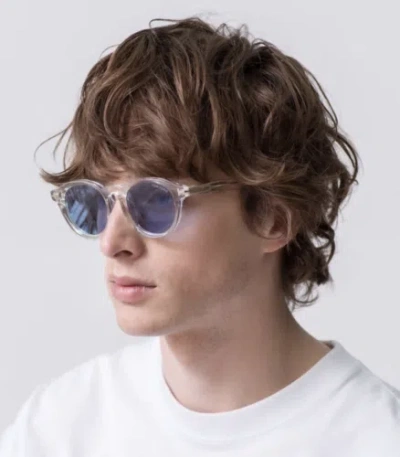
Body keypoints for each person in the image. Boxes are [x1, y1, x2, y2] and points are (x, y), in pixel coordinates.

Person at [1, 15, 399, 456]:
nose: (112, 243)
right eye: (94, 203)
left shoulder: (376, 438)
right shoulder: (57, 428)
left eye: (156, 202)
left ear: (273, 219)